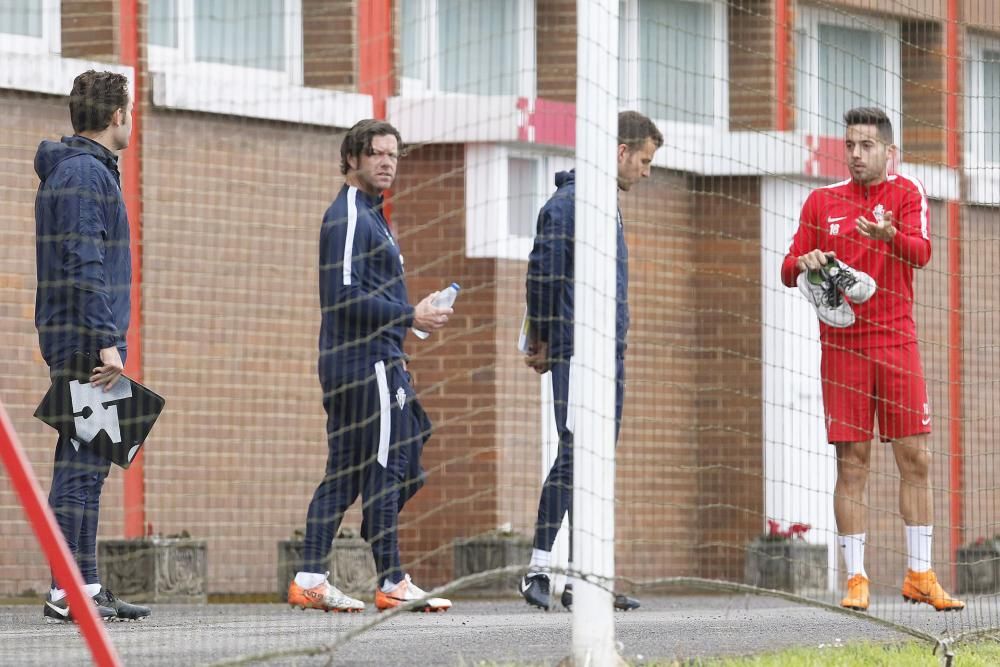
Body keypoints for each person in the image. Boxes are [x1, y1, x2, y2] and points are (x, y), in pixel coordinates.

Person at [781, 107, 963, 612]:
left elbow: (922, 252)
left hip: (897, 342)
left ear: (889, 151)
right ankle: (856, 580)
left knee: (917, 458)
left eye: (866, 146)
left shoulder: (907, 194)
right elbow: (786, 266)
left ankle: (920, 574)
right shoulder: (822, 202)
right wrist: (806, 262)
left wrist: (890, 238)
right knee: (852, 463)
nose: (857, 154)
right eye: (850, 146)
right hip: (842, 349)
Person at [287, 119, 454, 613]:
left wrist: (410, 318)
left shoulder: (375, 215)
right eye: (377, 153)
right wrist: (408, 314)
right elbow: (340, 297)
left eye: (393, 155)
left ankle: (310, 578)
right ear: (353, 158)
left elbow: (370, 293)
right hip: (365, 366)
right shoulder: (349, 216)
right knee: (387, 467)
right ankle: (393, 580)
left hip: (376, 361)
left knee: (346, 472)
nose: (386, 162)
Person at [519, 111, 662, 611]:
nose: (647, 172)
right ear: (621, 152)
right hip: (578, 352)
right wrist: (541, 338)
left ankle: (585, 580)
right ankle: (539, 569)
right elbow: (542, 274)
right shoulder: (571, 203)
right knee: (577, 454)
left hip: (608, 353)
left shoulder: (605, 203)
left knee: (595, 462)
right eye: (644, 161)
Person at [34, 70, 150, 622]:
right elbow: (85, 263)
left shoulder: (86, 169)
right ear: (117, 115)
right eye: (131, 110)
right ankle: (67, 589)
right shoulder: (83, 173)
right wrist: (108, 343)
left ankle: (86, 584)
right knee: (80, 470)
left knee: (90, 463)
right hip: (83, 340)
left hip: (82, 335)